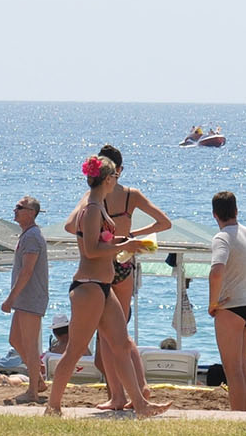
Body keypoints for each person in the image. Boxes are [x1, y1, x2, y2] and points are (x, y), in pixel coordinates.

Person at [44, 154, 168, 418]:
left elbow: (101, 241)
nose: (117, 180)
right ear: (109, 178)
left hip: (102, 285)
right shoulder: (91, 209)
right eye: (115, 176)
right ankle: (52, 406)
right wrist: (126, 245)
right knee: (75, 350)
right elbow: (90, 250)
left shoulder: (97, 205)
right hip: (88, 286)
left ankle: (141, 405)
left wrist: (127, 241)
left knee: (121, 345)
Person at [94, 144, 172, 409]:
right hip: (125, 263)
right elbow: (164, 223)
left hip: (104, 262)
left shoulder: (96, 196)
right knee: (121, 331)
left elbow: (79, 229)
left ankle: (117, 395)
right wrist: (132, 235)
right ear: (120, 169)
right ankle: (140, 386)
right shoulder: (131, 195)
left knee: (107, 336)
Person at [206, 188, 246, 414]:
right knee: (242, 368)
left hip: (231, 307)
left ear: (215, 214)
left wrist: (213, 303)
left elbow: (216, 272)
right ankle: (245, 414)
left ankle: (237, 415)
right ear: (236, 210)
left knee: (232, 370)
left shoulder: (222, 237)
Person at [0, 194, 48, 406]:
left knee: (29, 345)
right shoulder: (27, 235)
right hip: (25, 298)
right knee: (15, 340)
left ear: (31, 213)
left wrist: (11, 298)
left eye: (20, 207)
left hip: (31, 297)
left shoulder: (32, 236)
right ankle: (38, 380)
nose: (15, 210)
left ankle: (33, 391)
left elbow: (27, 271)